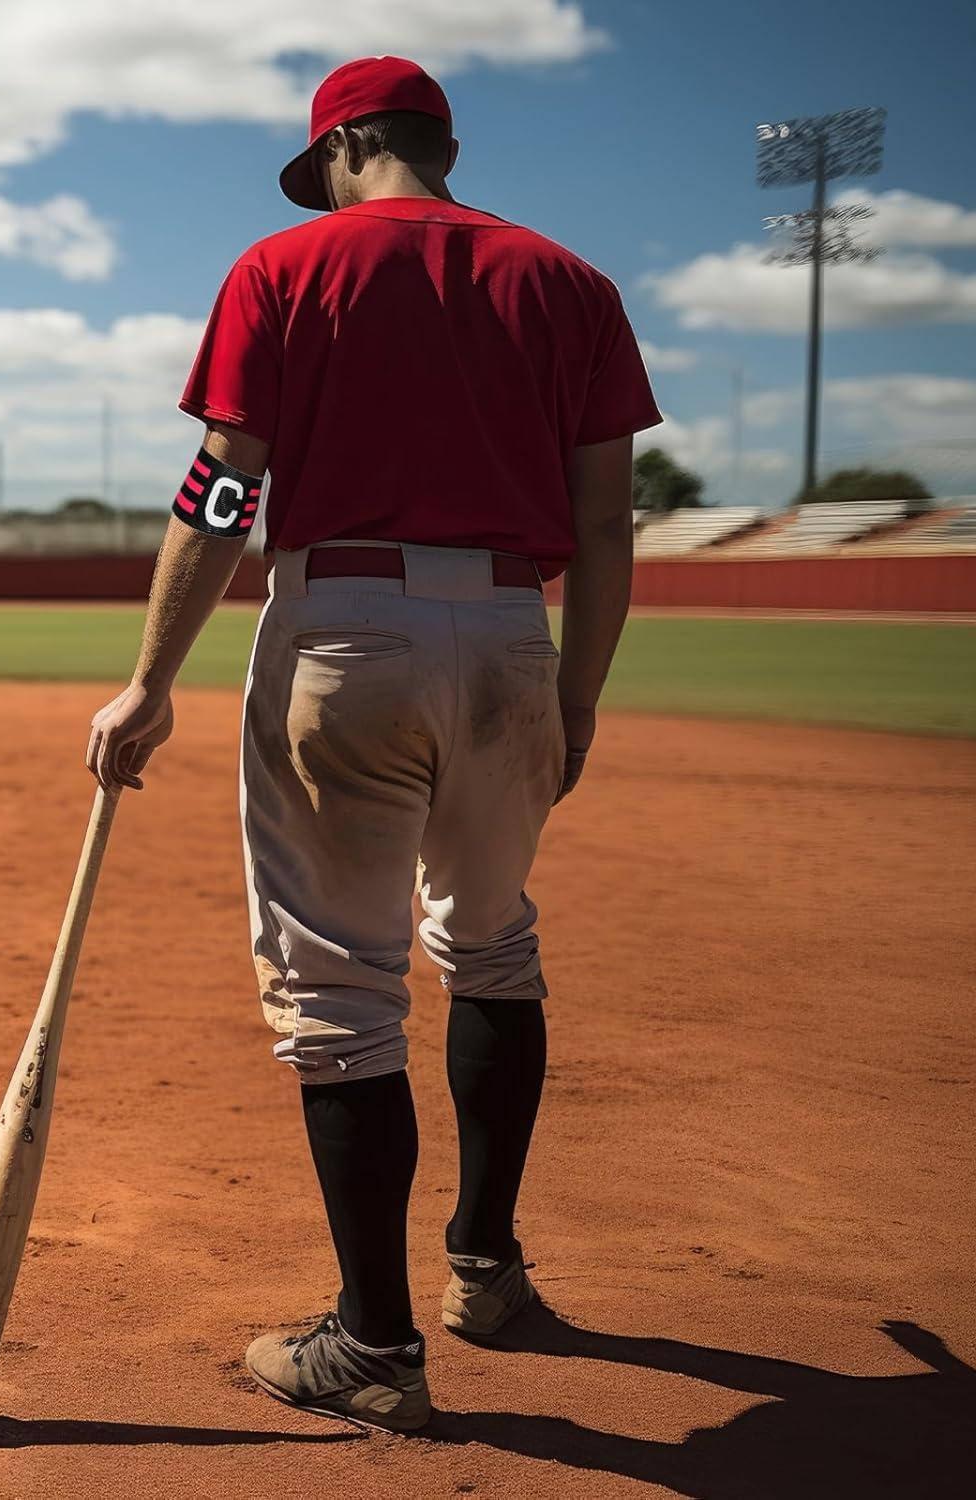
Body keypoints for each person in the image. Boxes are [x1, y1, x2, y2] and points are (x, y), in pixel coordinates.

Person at [86, 54, 662, 1432]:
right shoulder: (571, 283)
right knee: (493, 938)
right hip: (518, 637)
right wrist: (576, 699)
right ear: (439, 147)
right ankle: (488, 1268)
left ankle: (375, 1347)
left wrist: (149, 679)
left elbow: (226, 480)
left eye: (322, 168)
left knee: (342, 993)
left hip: (342, 628)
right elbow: (603, 526)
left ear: (348, 144)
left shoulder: (286, 269)